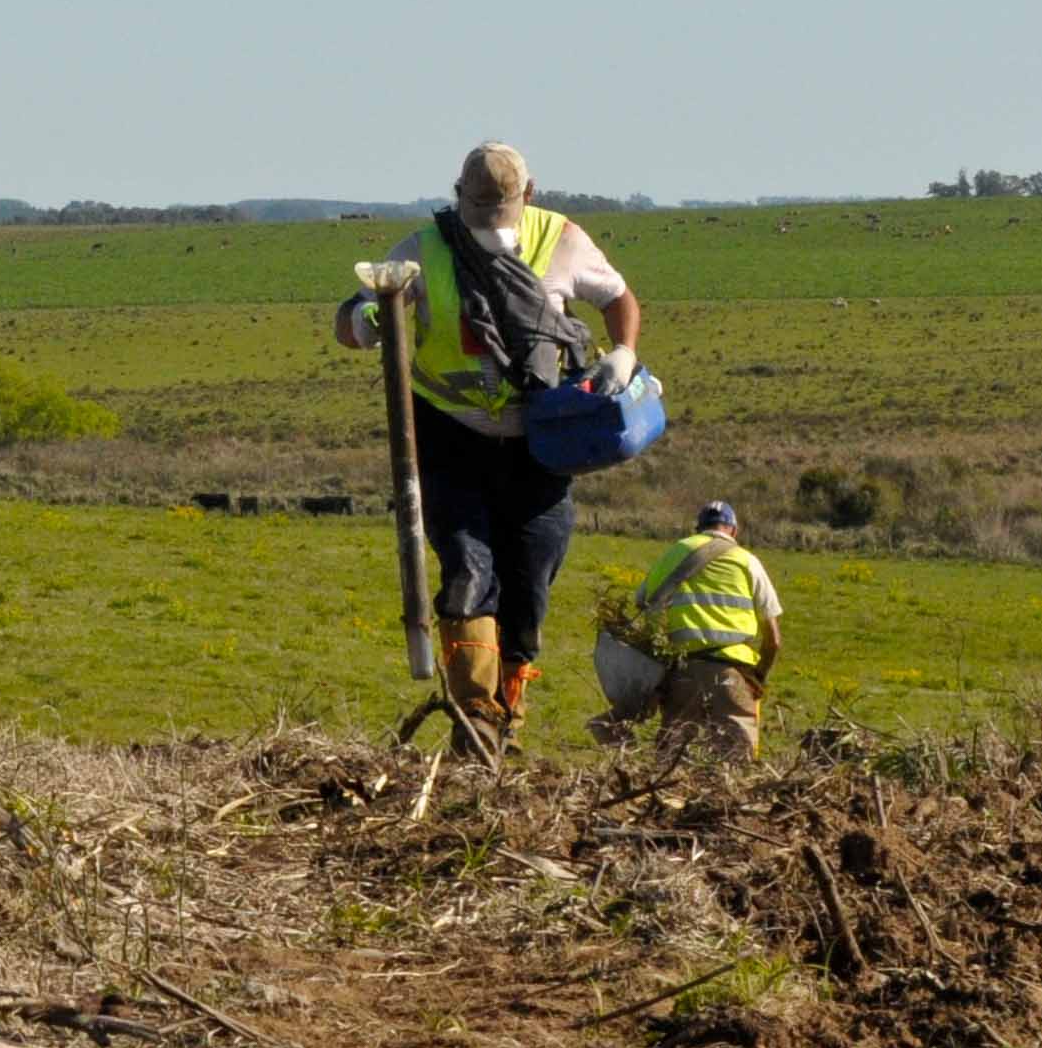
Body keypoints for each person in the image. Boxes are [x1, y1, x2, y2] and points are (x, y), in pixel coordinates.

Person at [333, 143, 644, 748]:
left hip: (540, 447)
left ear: (528, 195)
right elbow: (353, 315)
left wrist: (625, 354)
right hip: (451, 439)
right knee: (469, 571)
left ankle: (507, 713)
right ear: (457, 196)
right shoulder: (425, 250)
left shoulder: (563, 239)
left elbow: (618, 299)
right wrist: (366, 320)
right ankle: (475, 719)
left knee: (528, 585)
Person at [614, 499, 786, 762]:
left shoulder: (676, 552)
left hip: (684, 672)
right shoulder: (747, 561)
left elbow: (643, 601)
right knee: (736, 764)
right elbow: (773, 641)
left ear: (698, 529)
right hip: (734, 674)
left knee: (669, 759)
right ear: (734, 531)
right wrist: (757, 680)